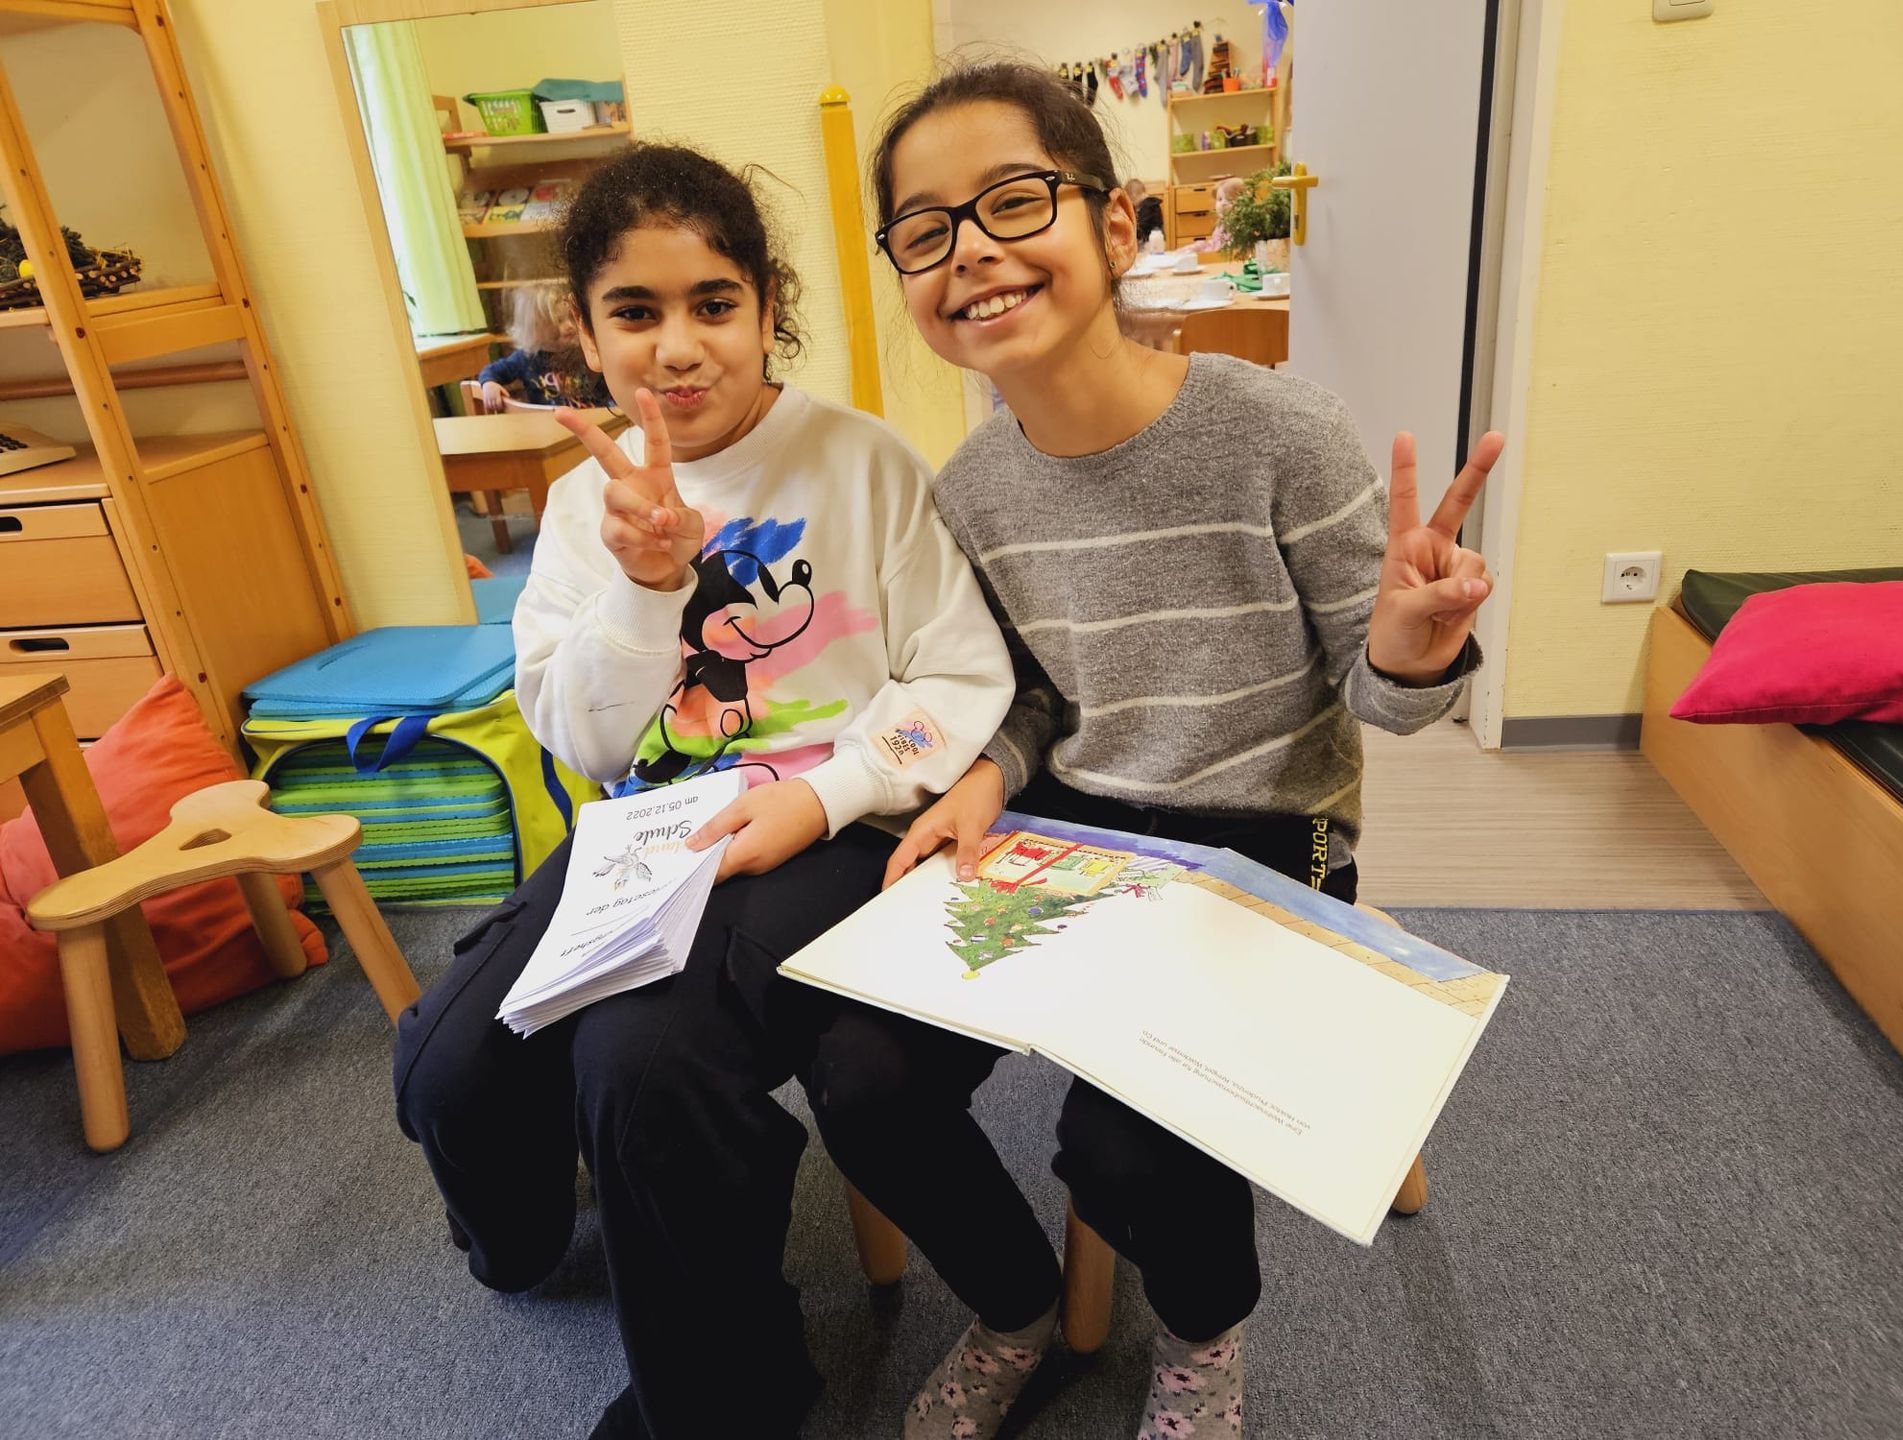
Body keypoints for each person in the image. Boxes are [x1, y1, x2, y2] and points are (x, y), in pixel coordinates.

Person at [839, 62, 1504, 1440]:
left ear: (1116, 224)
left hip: (1268, 833)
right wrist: (983, 776)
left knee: (1125, 1144)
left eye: (1013, 200)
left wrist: (1408, 652)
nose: (971, 250)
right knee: (862, 1076)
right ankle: (1017, 1307)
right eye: (924, 228)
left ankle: (1201, 1345)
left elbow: (1383, 708)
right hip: (1075, 829)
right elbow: (1027, 700)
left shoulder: (1277, 431)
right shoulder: (971, 491)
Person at [391, 142, 1015, 1440]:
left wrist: (829, 793)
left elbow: (956, 680)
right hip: (650, 831)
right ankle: (519, 1244)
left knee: (641, 1068)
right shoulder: (584, 506)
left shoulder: (861, 463)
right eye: (636, 312)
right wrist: (645, 586)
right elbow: (583, 740)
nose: (677, 348)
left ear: (767, 307)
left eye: (713, 304)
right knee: (447, 1064)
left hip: (830, 836)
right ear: (585, 333)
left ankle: (730, 1398)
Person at [474, 283, 607, 409]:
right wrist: (489, 384)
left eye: (571, 318)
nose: (570, 325)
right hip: (548, 422)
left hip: (593, 419)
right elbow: (491, 371)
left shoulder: (584, 350)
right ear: (534, 328)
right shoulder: (526, 358)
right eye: (559, 320)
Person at [1124, 176, 1164, 245]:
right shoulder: (1153, 204)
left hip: (1150, 243)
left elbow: (1141, 226)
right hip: (1158, 239)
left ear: (1133, 196)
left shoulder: (1146, 207)